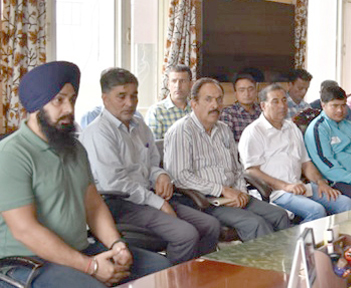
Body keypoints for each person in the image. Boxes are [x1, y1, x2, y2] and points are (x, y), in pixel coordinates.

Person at [0, 61, 170, 288]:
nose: (69, 109)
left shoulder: (74, 148)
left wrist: (116, 245)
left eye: (71, 99)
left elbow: (93, 205)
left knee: (163, 270)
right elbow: (25, 230)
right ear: (36, 106)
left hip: (80, 248)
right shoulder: (12, 153)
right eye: (59, 100)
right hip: (30, 261)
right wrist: (91, 267)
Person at [80, 68, 220, 264]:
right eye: (121, 96)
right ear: (105, 98)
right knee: (185, 235)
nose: (130, 103)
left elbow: (152, 163)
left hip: (148, 197)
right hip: (119, 203)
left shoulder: (138, 124)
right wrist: (159, 203)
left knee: (211, 225)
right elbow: (116, 184)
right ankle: (172, 280)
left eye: (134, 96)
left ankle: (200, 277)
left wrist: (161, 175)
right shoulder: (98, 133)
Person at [164, 78, 290, 241]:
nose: (215, 106)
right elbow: (180, 177)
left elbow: (237, 169)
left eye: (218, 100)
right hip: (204, 201)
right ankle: (266, 266)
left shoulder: (223, 129)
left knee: (279, 214)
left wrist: (240, 193)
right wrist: (222, 191)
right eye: (208, 99)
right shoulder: (181, 131)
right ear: (194, 103)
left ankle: (286, 262)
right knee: (256, 223)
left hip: (234, 194)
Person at [239, 84, 351, 222]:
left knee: (346, 203)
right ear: (263, 106)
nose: (282, 105)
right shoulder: (254, 132)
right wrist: (285, 186)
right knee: (316, 211)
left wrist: (320, 182)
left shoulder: (291, 127)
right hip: (276, 192)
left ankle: (339, 241)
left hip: (300, 186)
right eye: (275, 101)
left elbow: (306, 163)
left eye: (284, 100)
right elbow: (251, 171)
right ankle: (296, 243)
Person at [146, 64, 193, 139]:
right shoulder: (156, 111)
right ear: (168, 84)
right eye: (174, 81)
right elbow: (153, 147)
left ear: (191, 84)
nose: (177, 86)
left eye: (182, 81)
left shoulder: (197, 110)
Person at [220, 73, 262, 142]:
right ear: (236, 94)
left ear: (255, 91)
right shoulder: (228, 113)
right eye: (242, 90)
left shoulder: (263, 111)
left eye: (250, 89)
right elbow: (227, 142)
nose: (247, 94)